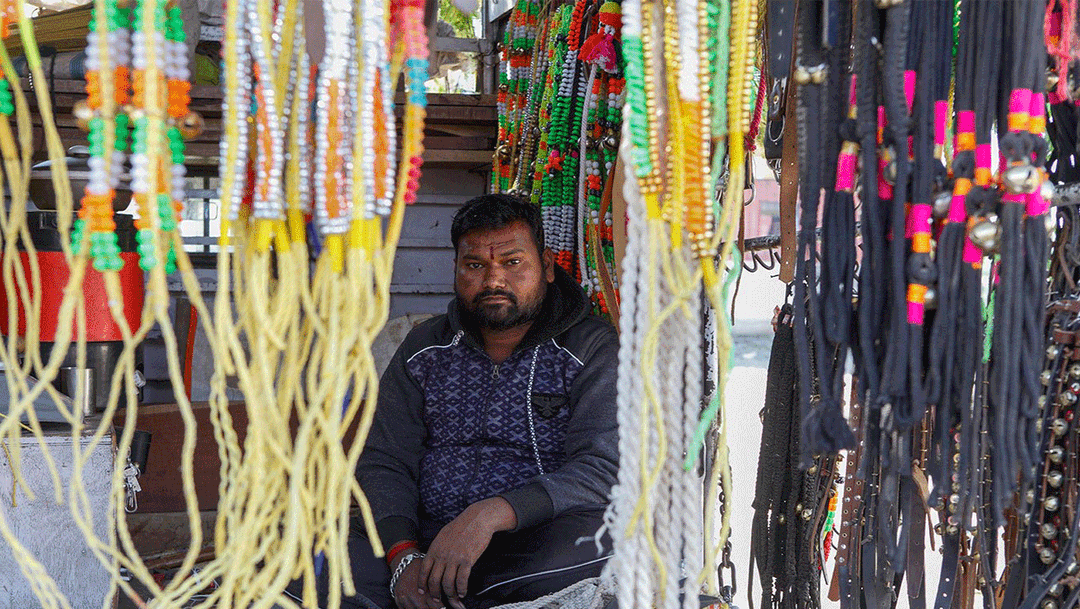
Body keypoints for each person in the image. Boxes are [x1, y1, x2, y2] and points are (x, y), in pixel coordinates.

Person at [346, 194, 620, 609]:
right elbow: (385, 458)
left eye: (513, 263)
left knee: (599, 545)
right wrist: (402, 554)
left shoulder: (590, 347)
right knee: (304, 569)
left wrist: (489, 515)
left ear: (546, 266)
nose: (494, 281)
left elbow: (603, 467)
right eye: (475, 266)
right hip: (422, 537)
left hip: (534, 542)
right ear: (456, 269)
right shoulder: (426, 347)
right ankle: (424, 585)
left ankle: (457, 592)